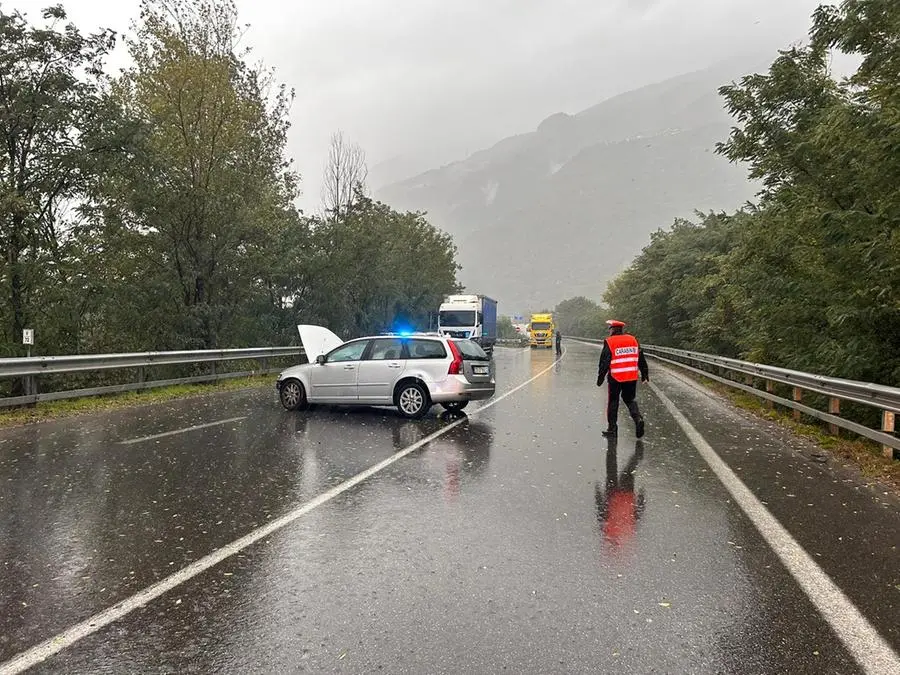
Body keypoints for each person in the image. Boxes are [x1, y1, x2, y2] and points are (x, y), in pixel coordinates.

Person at [596, 319, 647, 438]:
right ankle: (638, 418)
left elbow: (604, 361)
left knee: (613, 402)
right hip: (631, 376)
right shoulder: (632, 339)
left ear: (613, 330)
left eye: (610, 329)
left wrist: (600, 378)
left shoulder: (610, 342)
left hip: (616, 377)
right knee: (629, 399)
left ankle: (612, 429)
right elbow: (641, 357)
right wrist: (644, 374)